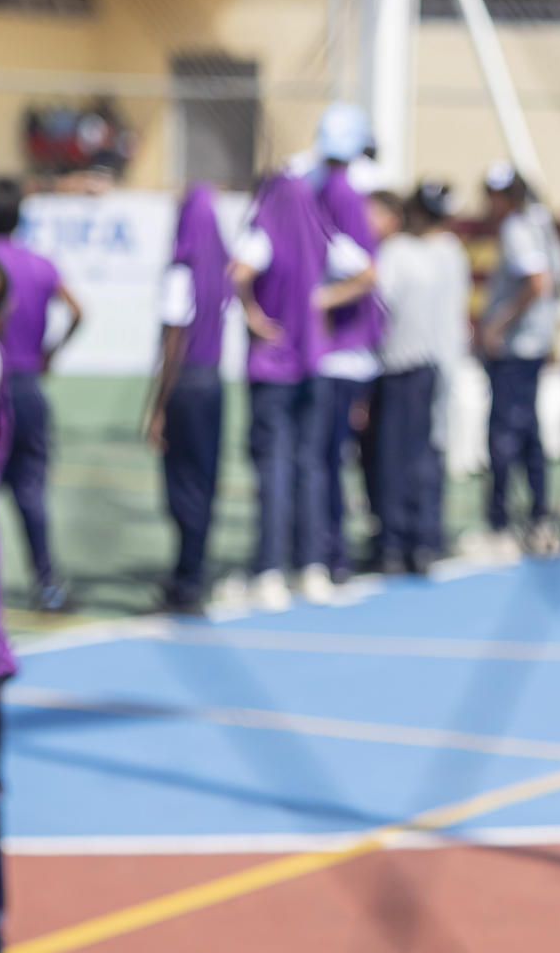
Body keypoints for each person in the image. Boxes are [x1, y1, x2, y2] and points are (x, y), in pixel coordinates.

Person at [230, 171, 373, 611]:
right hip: (314, 363)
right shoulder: (322, 232)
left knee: (274, 469)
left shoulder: (264, 232)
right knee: (311, 467)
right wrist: (322, 301)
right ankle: (312, 565)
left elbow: (237, 274)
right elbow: (368, 273)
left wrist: (254, 315)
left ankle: (270, 569)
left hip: (274, 368)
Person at [0, 177, 85, 611]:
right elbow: (78, 310)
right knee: (30, 490)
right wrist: (50, 352)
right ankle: (46, 581)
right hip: (28, 389)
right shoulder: (41, 265)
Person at [370, 183, 468, 573]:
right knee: (425, 452)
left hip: (405, 364)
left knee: (399, 456)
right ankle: (422, 537)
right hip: (432, 362)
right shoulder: (448, 251)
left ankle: (400, 540)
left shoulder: (401, 253)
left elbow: (381, 304)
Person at [144, 184, 233, 614]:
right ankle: (192, 572)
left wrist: (157, 405)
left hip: (186, 385)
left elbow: (173, 339)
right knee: (204, 480)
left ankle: (187, 578)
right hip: (213, 382)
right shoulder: (218, 268)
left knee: (180, 484)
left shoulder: (182, 270)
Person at [309, 103, 385, 582]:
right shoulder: (344, 193)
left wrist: (314, 302)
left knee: (326, 459)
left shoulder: (338, 195)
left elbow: (363, 273)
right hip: (349, 353)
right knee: (335, 458)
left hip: (340, 354)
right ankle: (337, 548)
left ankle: (330, 551)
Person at [474, 161, 560, 559]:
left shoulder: (516, 229)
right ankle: (539, 514)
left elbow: (537, 283)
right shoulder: (542, 224)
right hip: (534, 343)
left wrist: (497, 323)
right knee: (528, 430)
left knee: (504, 433)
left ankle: (499, 521)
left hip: (516, 346)